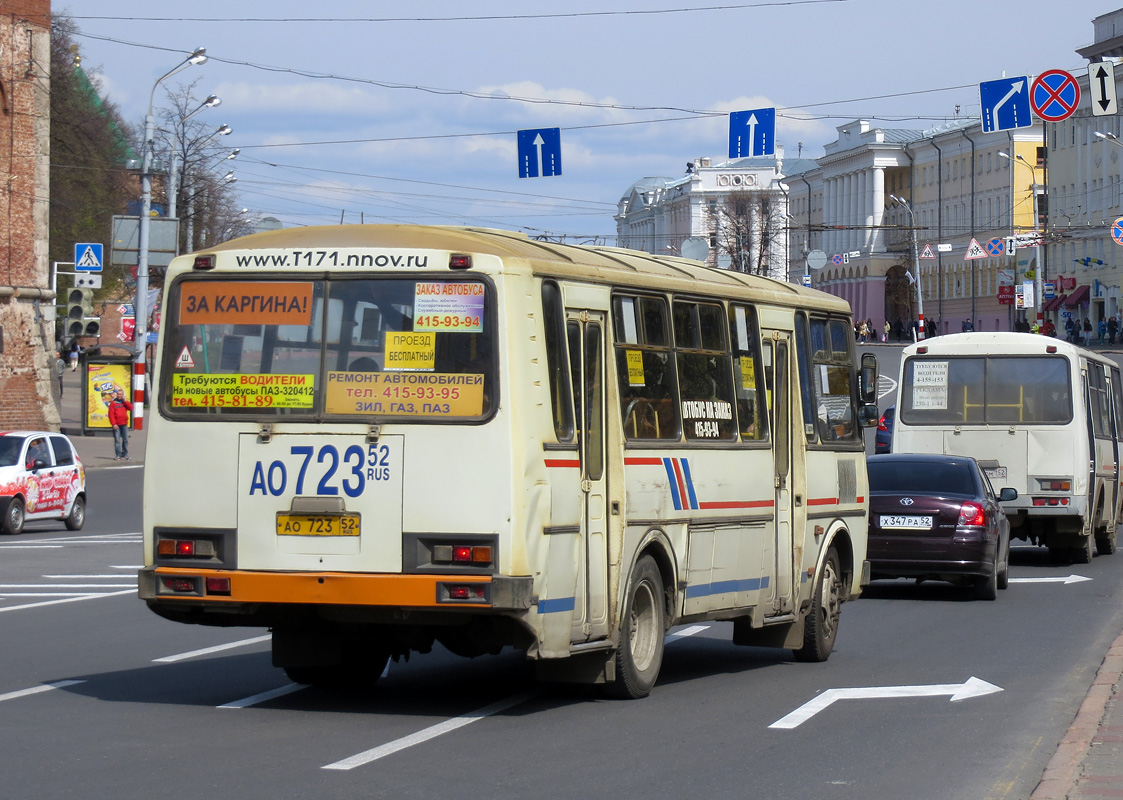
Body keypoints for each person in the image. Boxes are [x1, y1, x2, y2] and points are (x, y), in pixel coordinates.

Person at [107, 388, 134, 461]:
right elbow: (111, 414)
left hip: (124, 424)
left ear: (123, 395)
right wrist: (114, 424)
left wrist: (125, 401)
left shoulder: (124, 402)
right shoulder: (113, 403)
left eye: (121, 394)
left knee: (125, 440)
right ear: (116, 395)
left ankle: (125, 454)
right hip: (117, 425)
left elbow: (131, 408)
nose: (119, 396)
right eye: (118, 394)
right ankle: (118, 455)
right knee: (117, 440)